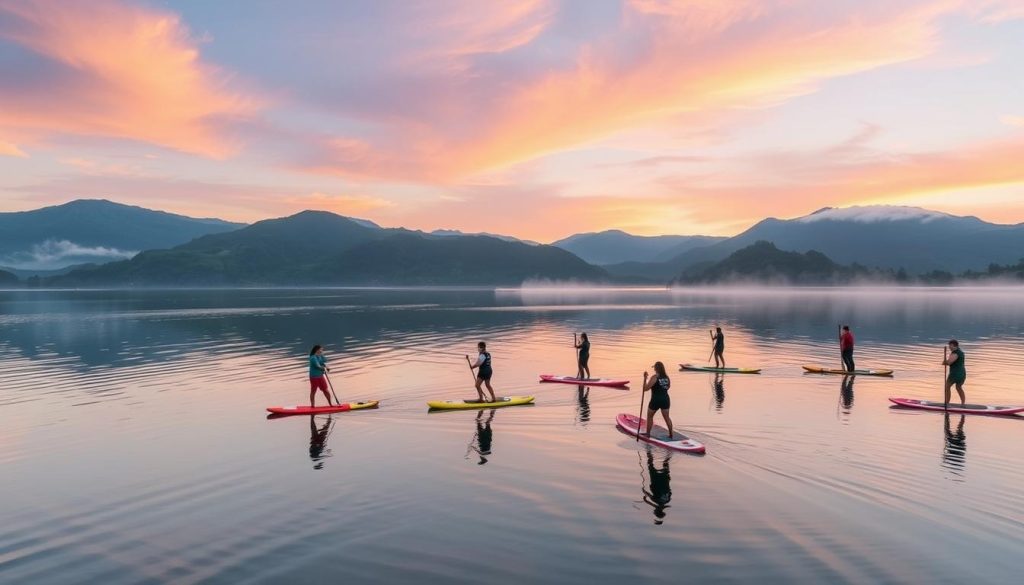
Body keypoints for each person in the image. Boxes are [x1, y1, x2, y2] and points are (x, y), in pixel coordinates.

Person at [642, 361, 674, 438]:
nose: (654, 370)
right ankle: (671, 435)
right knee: (667, 418)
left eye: (655, 368)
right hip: (665, 399)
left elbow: (645, 389)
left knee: (650, 417)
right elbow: (668, 387)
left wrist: (645, 378)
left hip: (655, 400)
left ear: (656, 369)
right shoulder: (667, 378)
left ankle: (648, 434)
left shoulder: (654, 377)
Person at [942, 339, 967, 407]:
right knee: (958, 387)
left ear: (954, 346)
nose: (949, 347)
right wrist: (945, 362)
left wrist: (944, 362)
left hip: (955, 374)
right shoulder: (961, 352)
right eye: (949, 345)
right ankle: (963, 403)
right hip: (962, 373)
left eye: (950, 345)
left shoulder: (955, 353)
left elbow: (949, 362)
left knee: (947, 387)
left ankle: (947, 403)